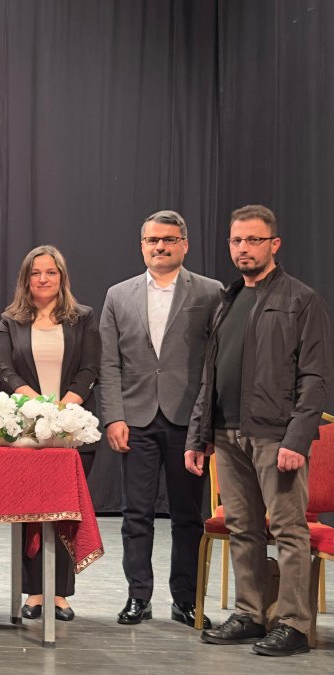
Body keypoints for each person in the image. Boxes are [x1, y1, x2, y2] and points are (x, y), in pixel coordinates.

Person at [187, 205, 332, 657]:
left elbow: (316, 377)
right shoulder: (228, 300)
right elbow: (210, 375)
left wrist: (297, 438)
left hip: (276, 436)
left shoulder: (301, 299)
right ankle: (250, 614)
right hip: (228, 434)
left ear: (274, 244)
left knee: (288, 530)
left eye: (253, 240)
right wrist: (198, 435)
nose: (243, 248)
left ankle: (293, 624)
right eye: (237, 241)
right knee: (243, 528)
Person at [98, 210, 223, 628]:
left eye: (169, 239)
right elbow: (109, 363)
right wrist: (114, 417)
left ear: (184, 244)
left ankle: (185, 600)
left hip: (188, 421)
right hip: (135, 419)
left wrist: (205, 425)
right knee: (136, 515)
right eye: (153, 240)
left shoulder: (210, 292)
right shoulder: (119, 295)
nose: (160, 246)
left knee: (187, 516)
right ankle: (138, 596)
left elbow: (214, 365)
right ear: (142, 245)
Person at [0, 245, 100, 621]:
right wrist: (37, 405)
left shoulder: (83, 317)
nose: (43, 279)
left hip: (72, 427)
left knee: (65, 512)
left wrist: (63, 409)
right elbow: (3, 369)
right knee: (30, 512)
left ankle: (60, 594)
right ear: (26, 279)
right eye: (35, 273)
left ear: (62, 277)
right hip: (27, 430)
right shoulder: (10, 320)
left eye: (51, 272)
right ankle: (35, 591)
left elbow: (90, 369)